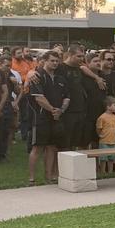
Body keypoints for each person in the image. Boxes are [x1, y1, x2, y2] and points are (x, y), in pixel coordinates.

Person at [27, 51, 69, 184]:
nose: (55, 63)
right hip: (41, 117)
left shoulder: (61, 78)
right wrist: (52, 110)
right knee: (37, 147)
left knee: (52, 147)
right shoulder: (37, 76)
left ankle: (49, 176)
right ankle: (32, 178)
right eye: (52, 61)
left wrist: (61, 110)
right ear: (44, 61)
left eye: (57, 61)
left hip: (57, 117)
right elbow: (39, 98)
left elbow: (67, 97)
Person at [96, 97, 115, 175]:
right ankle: (102, 173)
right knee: (103, 159)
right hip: (104, 141)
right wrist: (100, 135)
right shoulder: (102, 117)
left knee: (112, 158)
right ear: (108, 106)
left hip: (113, 140)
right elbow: (98, 128)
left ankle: (110, 173)